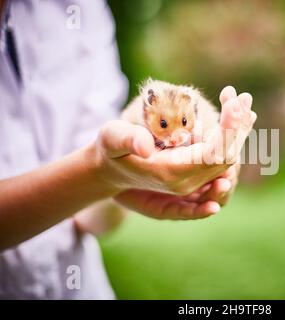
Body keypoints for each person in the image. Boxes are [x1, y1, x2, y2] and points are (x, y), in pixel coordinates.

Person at [0, 0, 256, 299]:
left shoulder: (82, 8)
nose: (174, 136)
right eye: (163, 124)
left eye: (182, 123)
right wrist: (104, 174)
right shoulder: (137, 118)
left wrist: (123, 184)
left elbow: (89, 218)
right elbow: (97, 163)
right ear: (148, 112)